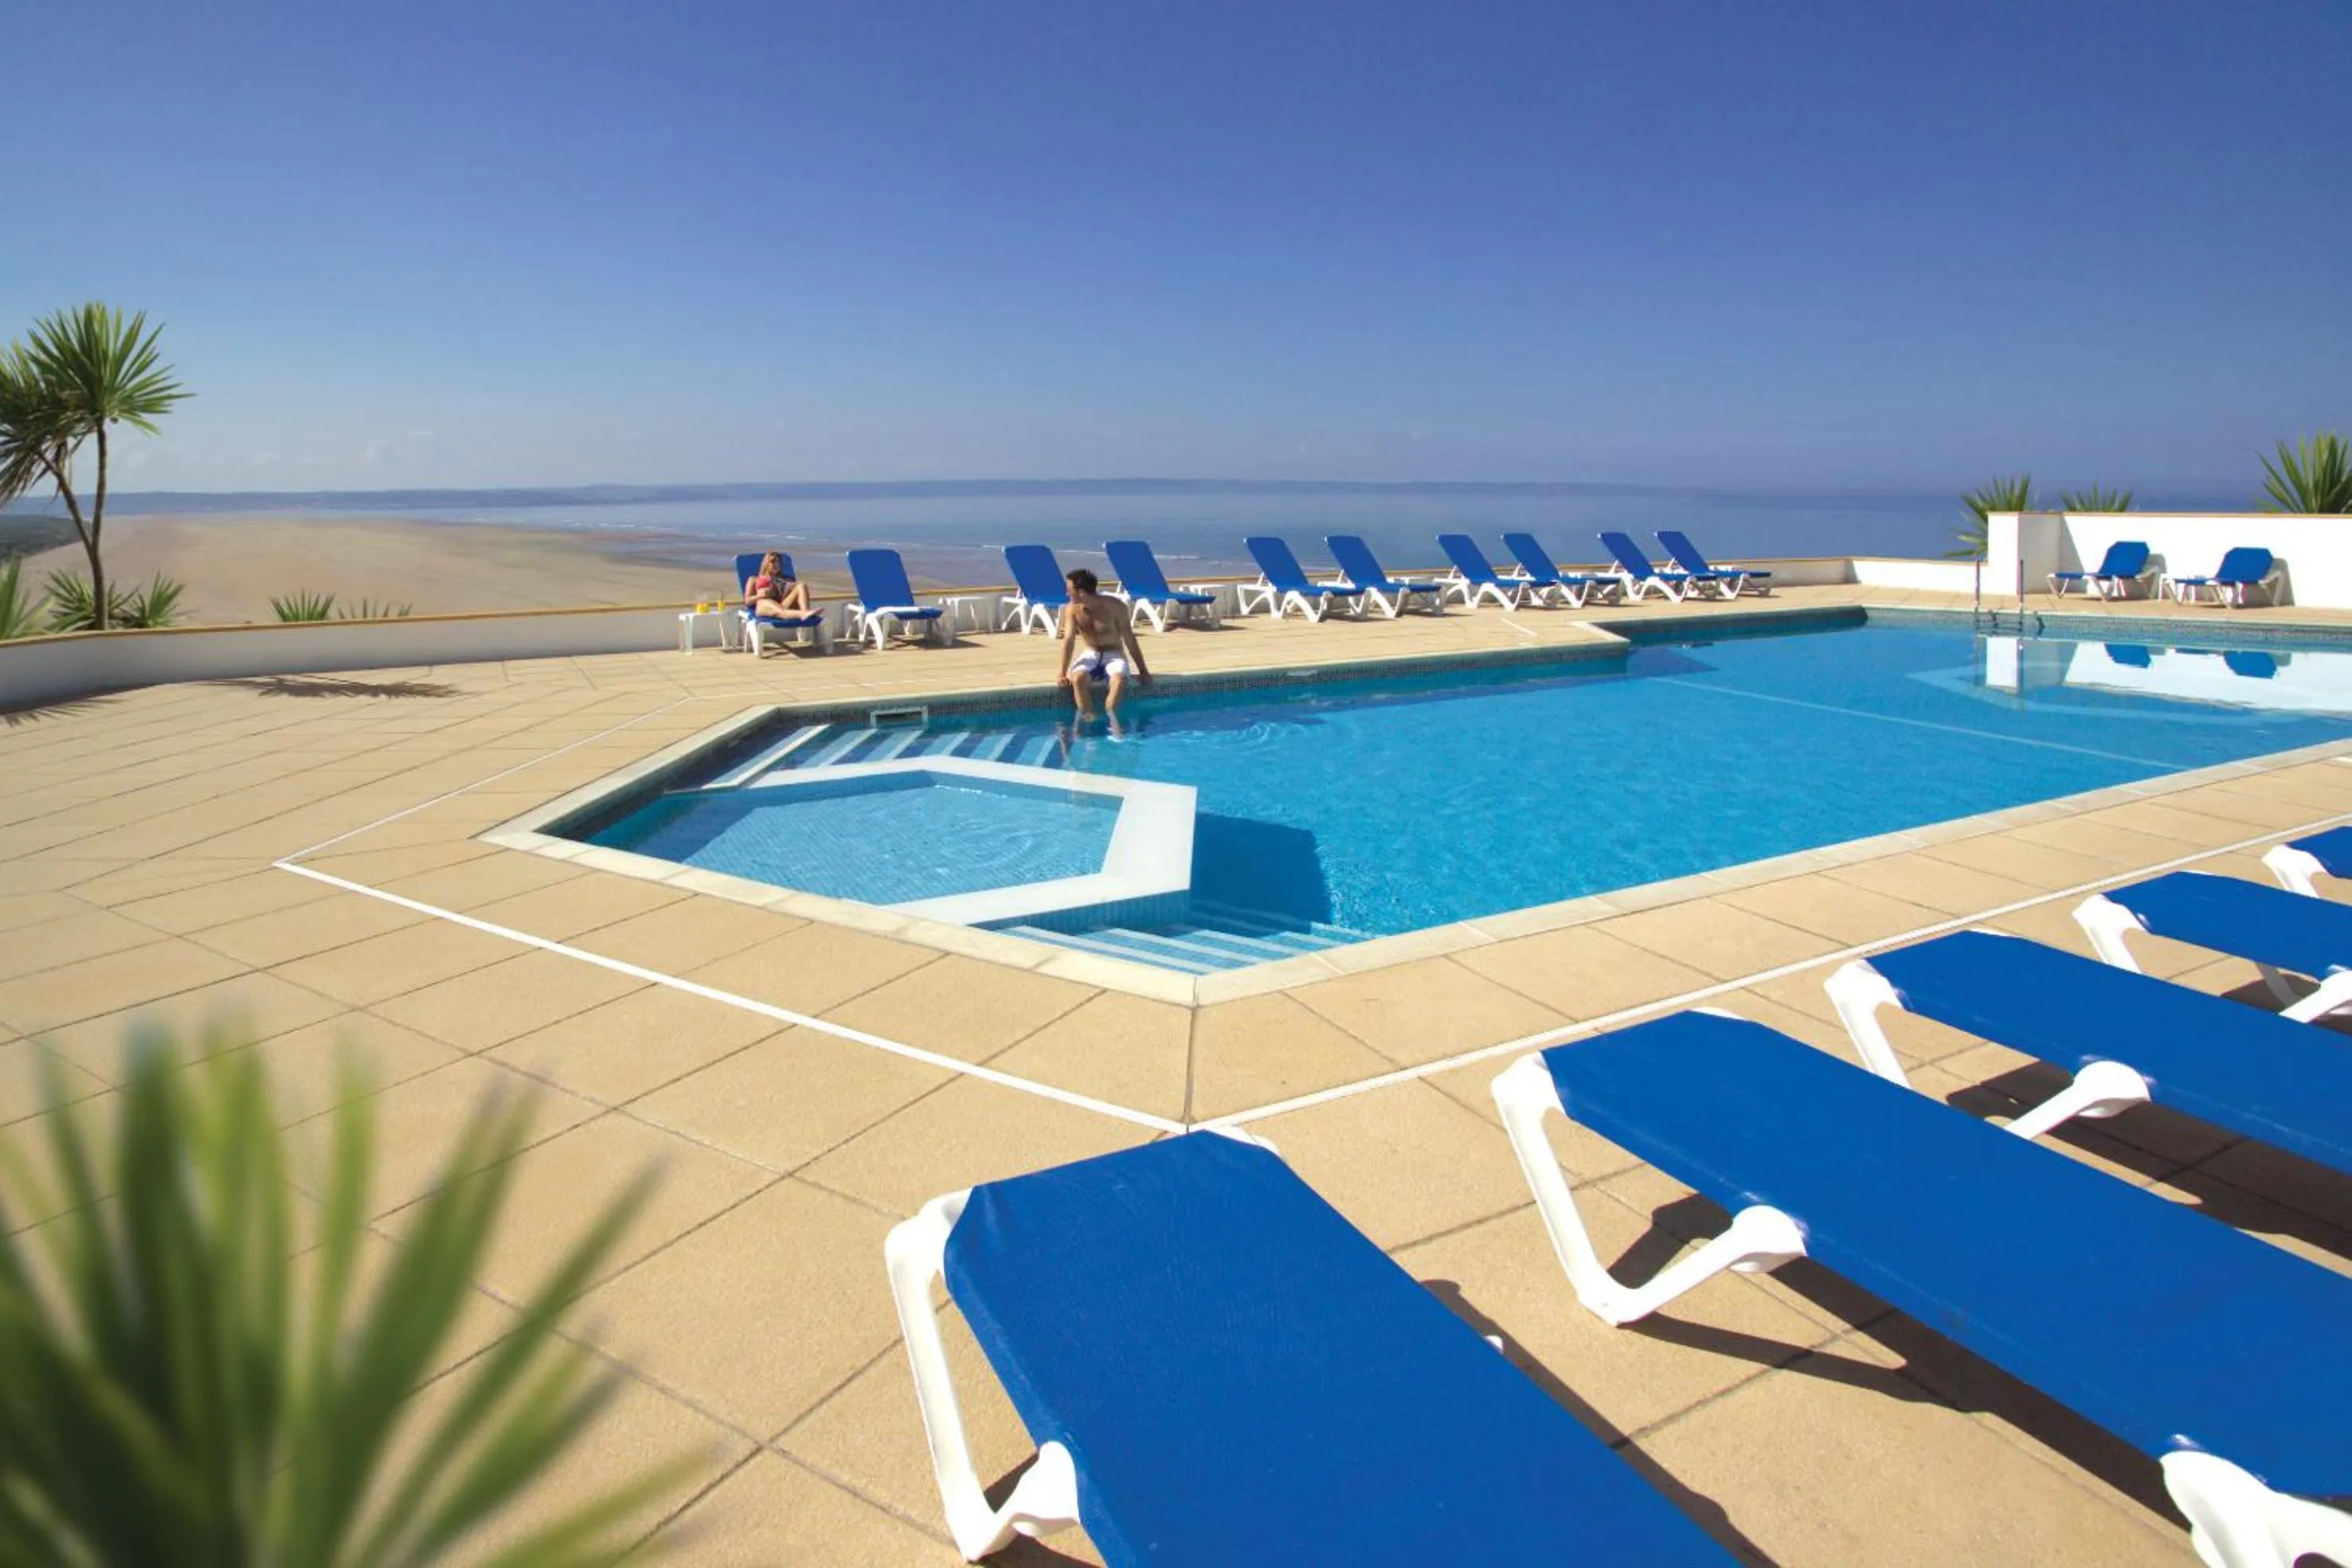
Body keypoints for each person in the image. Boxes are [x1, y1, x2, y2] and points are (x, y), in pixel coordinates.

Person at [1055, 567, 1151, 716]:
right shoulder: (1072, 610)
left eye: (1069, 589)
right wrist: (1061, 674)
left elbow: (1129, 639)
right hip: (1091, 653)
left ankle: (1111, 718)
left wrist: (1143, 671)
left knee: (1118, 680)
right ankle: (1089, 718)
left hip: (1114, 654)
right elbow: (1068, 641)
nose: (1066, 593)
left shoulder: (1116, 607)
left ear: (1081, 591)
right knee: (1078, 679)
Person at [744, 551, 810, 616]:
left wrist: (787, 589)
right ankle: (803, 614)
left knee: (802, 585)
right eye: (773, 561)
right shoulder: (754, 579)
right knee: (780, 610)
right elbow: (747, 601)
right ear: (766, 563)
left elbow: (788, 597)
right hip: (764, 603)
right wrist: (761, 595)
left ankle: (805, 612)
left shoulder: (786, 579)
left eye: (778, 562)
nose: (776, 564)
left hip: (781, 604)